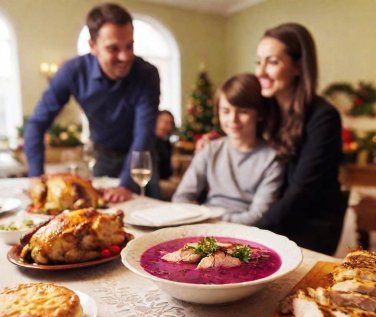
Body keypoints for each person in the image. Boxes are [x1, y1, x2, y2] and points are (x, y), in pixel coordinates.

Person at [197, 23, 346, 255]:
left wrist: (253, 232)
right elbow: (240, 123)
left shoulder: (324, 117)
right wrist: (215, 137)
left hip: (309, 225)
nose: (261, 72)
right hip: (273, 216)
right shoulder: (268, 107)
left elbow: (301, 192)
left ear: (298, 67)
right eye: (259, 61)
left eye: (273, 62)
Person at [24, 3, 160, 202]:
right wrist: (36, 175)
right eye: (113, 49)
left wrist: (124, 185)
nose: (125, 56)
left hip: (140, 159)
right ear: (92, 46)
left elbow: (144, 132)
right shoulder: (72, 72)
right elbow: (37, 124)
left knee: (150, 214)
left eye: (129, 46)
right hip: (102, 157)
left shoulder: (147, 74)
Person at [172, 73, 285, 225]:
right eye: (225, 111)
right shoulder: (210, 149)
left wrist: (209, 219)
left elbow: (257, 216)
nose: (232, 119)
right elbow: (181, 197)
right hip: (203, 227)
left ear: (260, 114)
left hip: (244, 234)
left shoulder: (272, 159)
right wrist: (202, 218)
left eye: (243, 112)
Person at [155, 110, 175, 180]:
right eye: (166, 122)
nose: (168, 127)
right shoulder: (148, 143)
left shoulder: (166, 143)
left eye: (170, 123)